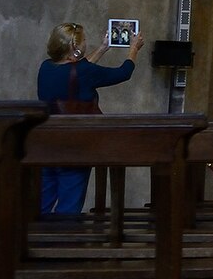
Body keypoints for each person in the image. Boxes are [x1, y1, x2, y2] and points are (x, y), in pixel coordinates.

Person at [35, 24, 143, 218]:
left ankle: (36, 244)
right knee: (68, 208)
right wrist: (133, 49)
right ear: (75, 47)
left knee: (41, 205)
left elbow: (77, 69)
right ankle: (62, 245)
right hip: (75, 146)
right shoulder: (85, 72)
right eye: (84, 40)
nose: (86, 42)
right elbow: (123, 73)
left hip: (47, 143)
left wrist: (103, 48)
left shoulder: (45, 68)